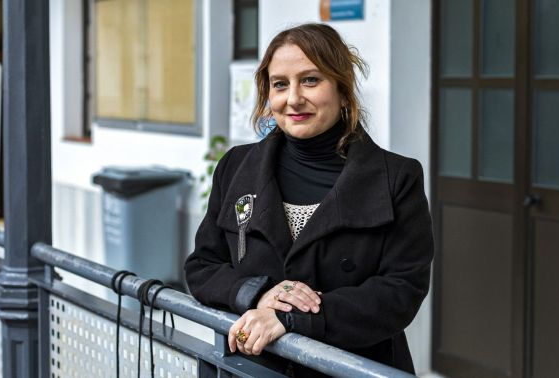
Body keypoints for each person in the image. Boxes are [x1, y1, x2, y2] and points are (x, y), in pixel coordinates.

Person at [184, 23, 433, 376]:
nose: (294, 98)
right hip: (252, 367)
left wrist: (292, 318)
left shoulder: (397, 179)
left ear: (343, 91)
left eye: (311, 80)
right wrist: (259, 294)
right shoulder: (236, 168)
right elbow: (203, 267)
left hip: (350, 368)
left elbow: (400, 292)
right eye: (280, 84)